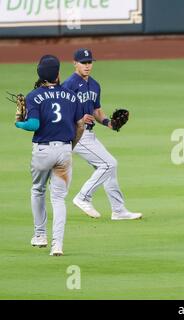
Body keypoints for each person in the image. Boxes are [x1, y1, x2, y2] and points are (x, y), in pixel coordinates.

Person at [15, 55, 85, 256]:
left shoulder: (34, 95)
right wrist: (71, 145)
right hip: (64, 150)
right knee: (59, 199)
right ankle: (58, 246)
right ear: (57, 74)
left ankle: (39, 235)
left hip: (42, 152)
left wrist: (19, 123)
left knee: (38, 190)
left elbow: (33, 125)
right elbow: (80, 125)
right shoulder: (72, 95)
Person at [62, 48, 142, 221]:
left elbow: (96, 110)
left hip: (89, 135)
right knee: (109, 164)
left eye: (89, 62)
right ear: (74, 63)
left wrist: (109, 123)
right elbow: (63, 111)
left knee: (108, 170)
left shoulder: (95, 85)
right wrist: (77, 121)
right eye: (83, 62)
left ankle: (118, 210)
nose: (87, 65)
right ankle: (83, 197)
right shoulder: (69, 85)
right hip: (77, 134)